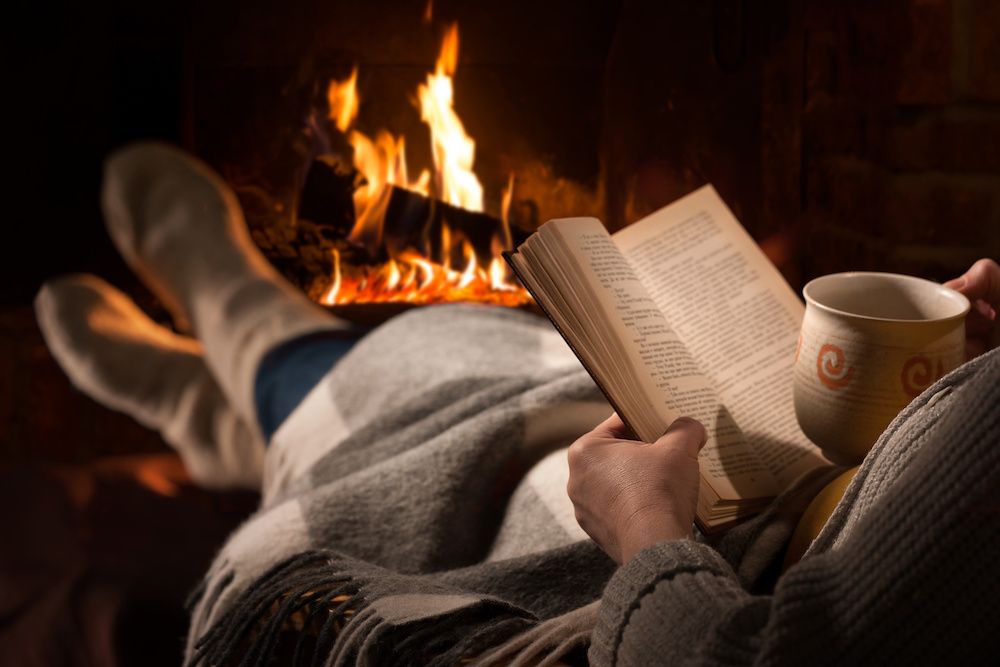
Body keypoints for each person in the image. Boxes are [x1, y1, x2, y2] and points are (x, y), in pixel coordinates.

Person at [35, 143, 1000, 665]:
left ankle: (251, 338)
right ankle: (238, 396)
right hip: (807, 484)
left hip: (713, 541)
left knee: (452, 392)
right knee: (525, 365)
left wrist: (647, 530)